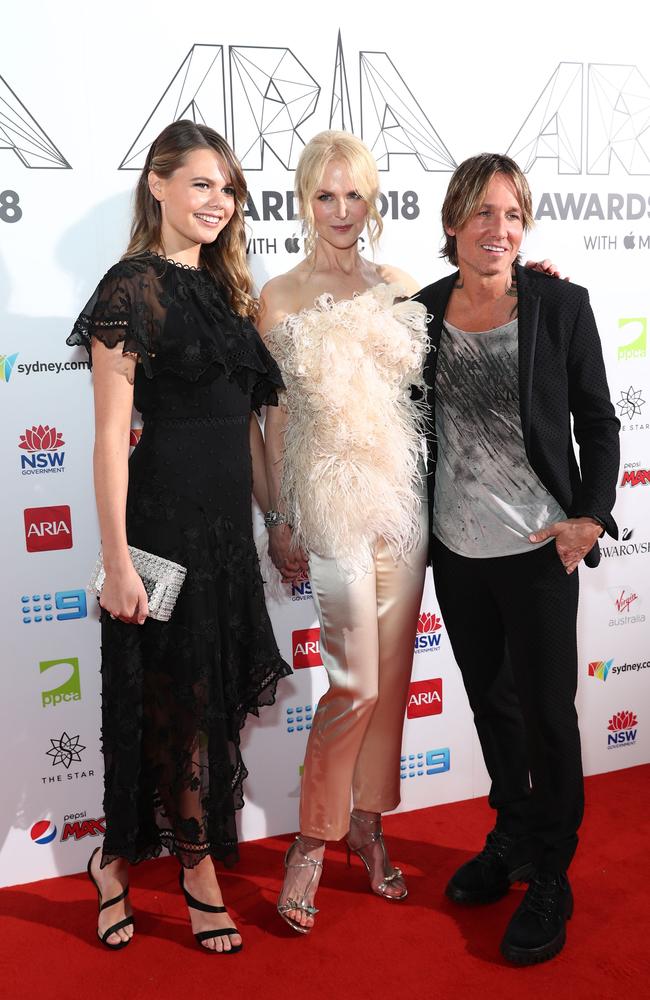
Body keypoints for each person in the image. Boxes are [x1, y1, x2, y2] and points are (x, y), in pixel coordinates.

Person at [67, 120, 290, 953]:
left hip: (228, 538)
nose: (217, 202)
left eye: (228, 189)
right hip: (161, 534)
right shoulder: (130, 289)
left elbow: (245, 433)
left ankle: (114, 861)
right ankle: (194, 870)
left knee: (198, 710)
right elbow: (107, 438)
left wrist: (277, 523)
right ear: (156, 185)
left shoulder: (232, 296)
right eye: (200, 183)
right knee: (169, 709)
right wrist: (117, 560)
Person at [416, 153, 620, 965]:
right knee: (491, 705)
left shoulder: (560, 304)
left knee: (546, 712)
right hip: (457, 549)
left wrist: (590, 517)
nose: (498, 230)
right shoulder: (421, 312)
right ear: (453, 225)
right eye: (482, 215)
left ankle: (552, 874)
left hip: (538, 551)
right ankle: (513, 835)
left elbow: (599, 422)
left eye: (512, 215)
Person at [257, 131, 431, 933]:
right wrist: (278, 513)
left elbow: (452, 359)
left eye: (353, 195)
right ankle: (313, 839)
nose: (340, 211)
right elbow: (271, 418)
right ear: (303, 200)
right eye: (325, 195)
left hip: (402, 503)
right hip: (328, 503)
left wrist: (534, 287)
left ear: (372, 201)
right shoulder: (280, 296)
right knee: (352, 680)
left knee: (388, 684)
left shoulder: (399, 285)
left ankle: (370, 820)